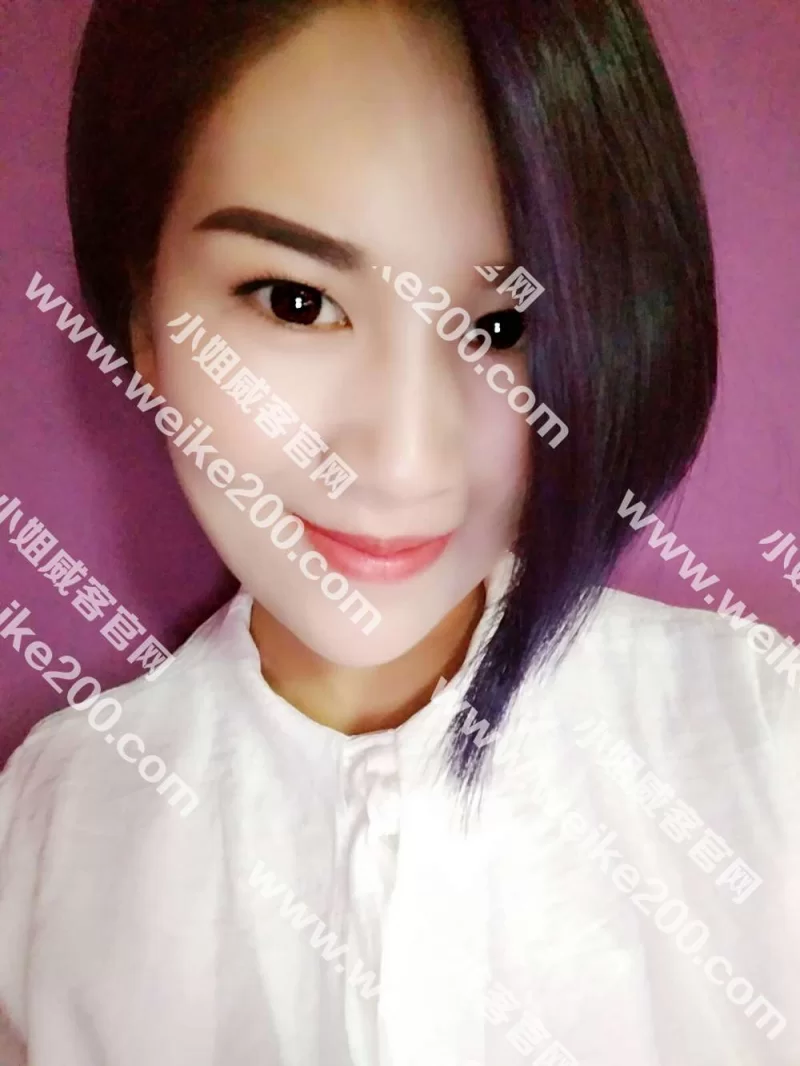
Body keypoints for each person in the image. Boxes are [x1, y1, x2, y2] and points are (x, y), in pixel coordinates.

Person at [0, 0, 797, 1063]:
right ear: (141, 316)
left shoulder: (762, 747)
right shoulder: (45, 841)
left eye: (504, 326)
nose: (405, 463)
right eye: (293, 301)